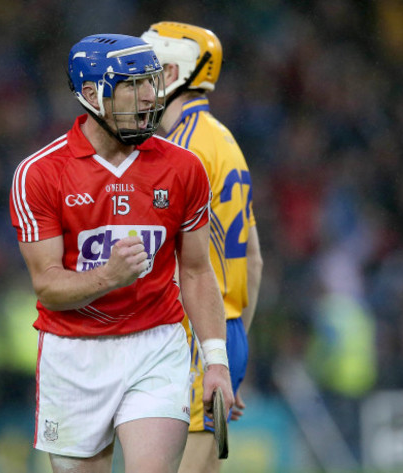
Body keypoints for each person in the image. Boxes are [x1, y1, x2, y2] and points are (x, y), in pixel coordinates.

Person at [9, 33, 234, 473]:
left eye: (151, 83)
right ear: (91, 95)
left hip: (156, 344)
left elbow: (196, 271)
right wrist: (108, 276)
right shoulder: (39, 174)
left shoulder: (184, 167)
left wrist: (217, 362)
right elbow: (48, 285)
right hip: (73, 353)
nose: (150, 96)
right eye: (132, 86)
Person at [142, 22, 264, 473]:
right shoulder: (227, 142)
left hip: (191, 336)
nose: (138, 86)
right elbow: (253, 261)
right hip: (225, 333)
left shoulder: (178, 149)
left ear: (172, 71)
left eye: (147, 72)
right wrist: (231, 354)